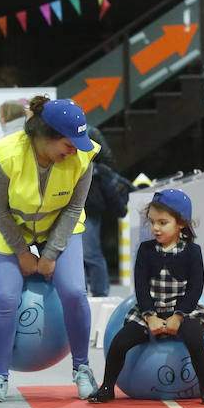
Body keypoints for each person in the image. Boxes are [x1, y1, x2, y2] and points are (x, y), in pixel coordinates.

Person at [0, 96, 100, 403]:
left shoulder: (82, 158)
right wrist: (22, 252)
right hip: (10, 229)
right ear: (45, 137)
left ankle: (82, 368)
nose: (74, 151)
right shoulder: (4, 157)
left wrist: (50, 254)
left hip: (59, 227)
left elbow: (74, 208)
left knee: (74, 292)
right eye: (68, 145)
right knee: (6, 297)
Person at [89, 189, 204, 405]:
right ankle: (107, 387)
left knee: (195, 339)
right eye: (152, 222)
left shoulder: (192, 251)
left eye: (163, 222)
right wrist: (150, 316)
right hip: (151, 311)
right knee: (120, 341)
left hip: (183, 311)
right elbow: (141, 287)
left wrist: (178, 316)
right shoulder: (146, 250)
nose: (156, 228)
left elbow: (195, 288)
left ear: (181, 224)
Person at [82, 126, 128, 297]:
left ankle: (100, 294)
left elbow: (107, 161)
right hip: (75, 201)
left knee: (90, 252)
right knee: (83, 253)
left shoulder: (90, 132)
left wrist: (91, 167)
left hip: (89, 202)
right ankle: (87, 293)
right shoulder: (87, 132)